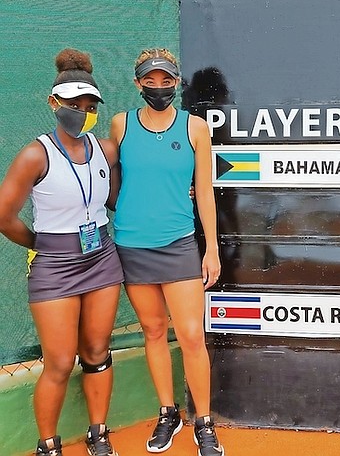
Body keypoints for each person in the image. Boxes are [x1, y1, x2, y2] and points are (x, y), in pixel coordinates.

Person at [0, 48, 123, 456]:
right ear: (54, 103)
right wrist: (40, 246)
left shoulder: (105, 150)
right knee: (58, 361)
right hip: (55, 265)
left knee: (96, 351)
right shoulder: (36, 154)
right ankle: (48, 445)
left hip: (102, 257)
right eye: (73, 104)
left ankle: (98, 434)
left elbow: (119, 200)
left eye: (89, 105)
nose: (82, 111)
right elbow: (5, 215)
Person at [109, 48, 223, 456]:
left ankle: (204, 423)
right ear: (138, 82)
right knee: (154, 331)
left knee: (192, 335)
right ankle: (167, 412)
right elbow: (111, 182)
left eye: (166, 80)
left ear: (177, 82)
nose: (158, 87)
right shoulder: (120, 124)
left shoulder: (195, 128)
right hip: (131, 244)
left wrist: (211, 248)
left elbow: (205, 190)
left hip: (179, 243)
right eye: (150, 80)